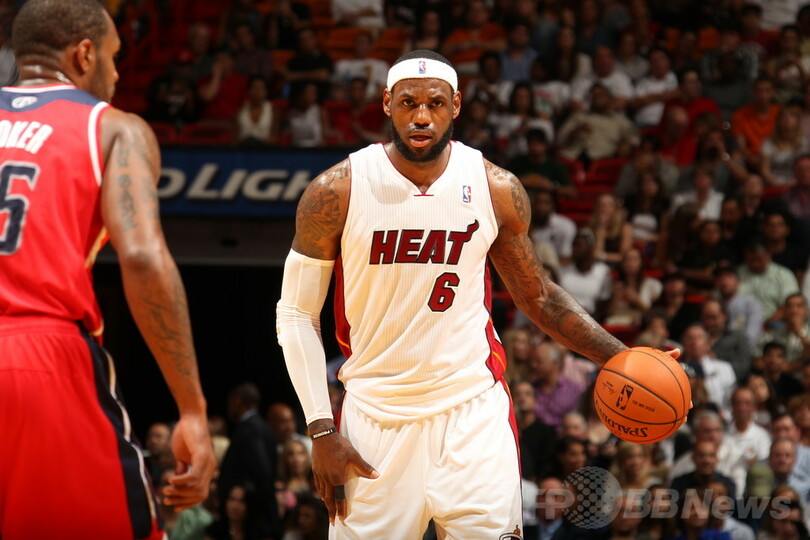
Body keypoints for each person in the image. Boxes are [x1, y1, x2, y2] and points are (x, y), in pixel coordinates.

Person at [275, 50, 663, 538]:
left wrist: (623, 358)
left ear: (456, 105)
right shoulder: (335, 191)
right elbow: (296, 313)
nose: (421, 116)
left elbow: (540, 297)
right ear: (386, 103)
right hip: (373, 419)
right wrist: (321, 428)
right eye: (408, 103)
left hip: (472, 414)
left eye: (435, 103)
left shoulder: (494, 188)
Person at [0, 1, 216, 538]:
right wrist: (192, 409)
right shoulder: (114, 128)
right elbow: (142, 257)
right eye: (115, 57)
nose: (118, 74)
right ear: (84, 54)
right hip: (40, 356)